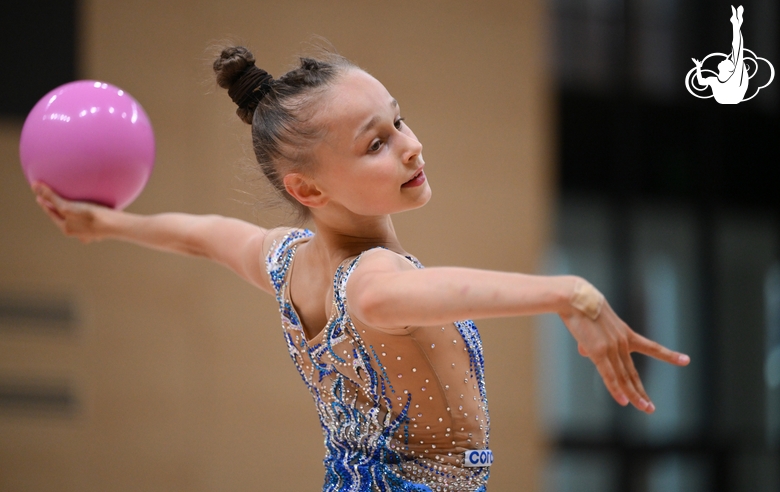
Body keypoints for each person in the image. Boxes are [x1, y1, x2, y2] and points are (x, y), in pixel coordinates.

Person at [33, 45, 690, 492]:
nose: (410, 146)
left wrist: (109, 223)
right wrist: (569, 294)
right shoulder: (372, 281)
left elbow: (204, 236)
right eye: (377, 143)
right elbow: (443, 289)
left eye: (399, 121)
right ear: (309, 191)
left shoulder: (287, 263)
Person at [692, 5, 748, 104]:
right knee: (736, 51)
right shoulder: (714, 80)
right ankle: (736, 23)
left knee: (737, 50)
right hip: (727, 100)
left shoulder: (734, 78)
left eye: (727, 61)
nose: (725, 59)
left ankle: (736, 23)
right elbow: (701, 82)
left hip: (734, 97)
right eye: (728, 60)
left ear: (729, 70)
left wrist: (736, 26)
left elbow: (737, 50)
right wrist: (698, 67)